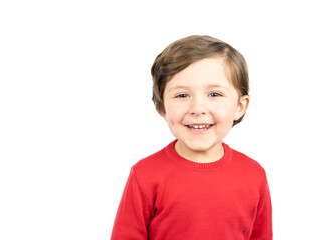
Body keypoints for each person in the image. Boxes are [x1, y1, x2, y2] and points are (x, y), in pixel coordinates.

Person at [111, 35, 272, 240]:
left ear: (239, 107)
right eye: (182, 95)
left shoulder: (254, 175)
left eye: (214, 94)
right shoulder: (144, 175)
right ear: (162, 108)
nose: (197, 108)